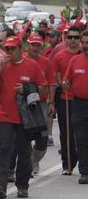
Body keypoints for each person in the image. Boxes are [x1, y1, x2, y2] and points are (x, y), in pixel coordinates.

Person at [0, 36, 47, 198]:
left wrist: (27, 88)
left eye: (13, 48)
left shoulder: (32, 65)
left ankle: (22, 186)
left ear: (21, 49)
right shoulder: (2, 65)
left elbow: (43, 88)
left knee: (24, 152)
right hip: (4, 116)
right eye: (7, 49)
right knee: (4, 149)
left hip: (26, 118)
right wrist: (0, 68)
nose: (9, 51)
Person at [25, 34, 56, 174]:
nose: (35, 48)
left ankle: (34, 159)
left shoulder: (46, 62)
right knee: (24, 137)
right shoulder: (20, 60)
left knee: (42, 139)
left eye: (38, 45)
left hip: (41, 103)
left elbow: (51, 83)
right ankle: (26, 164)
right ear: (27, 45)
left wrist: (51, 102)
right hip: (23, 104)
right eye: (33, 44)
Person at [53, 26, 81, 175]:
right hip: (65, 98)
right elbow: (55, 76)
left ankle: (79, 158)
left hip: (82, 100)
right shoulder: (59, 56)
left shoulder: (85, 55)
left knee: (81, 132)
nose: (73, 40)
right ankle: (67, 163)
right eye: (70, 37)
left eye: (76, 37)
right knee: (66, 133)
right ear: (66, 38)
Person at [63, 30, 88, 184]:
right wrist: (65, 84)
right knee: (81, 139)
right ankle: (84, 172)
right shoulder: (74, 60)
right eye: (83, 42)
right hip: (78, 104)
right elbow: (67, 80)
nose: (85, 45)